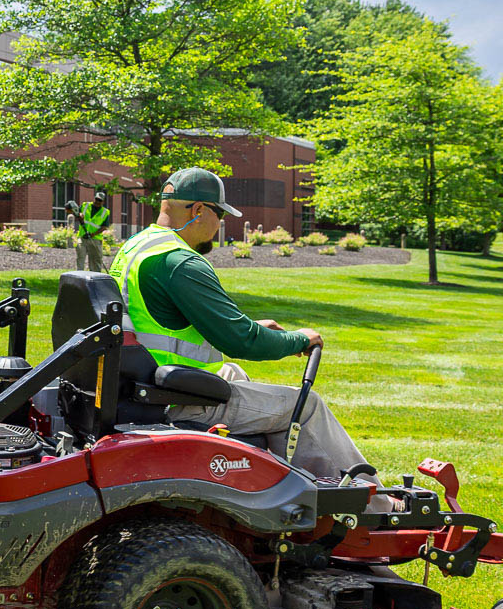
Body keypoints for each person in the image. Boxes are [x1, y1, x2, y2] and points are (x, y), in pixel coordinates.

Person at [109, 167, 364, 482]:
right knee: (306, 405)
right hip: (168, 401)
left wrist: (253, 325)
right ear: (199, 210)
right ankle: (377, 505)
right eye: (219, 214)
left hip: (139, 383)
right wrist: (300, 339)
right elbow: (242, 341)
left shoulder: (138, 246)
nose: (220, 225)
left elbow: (163, 319)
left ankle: (278, 484)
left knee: (232, 374)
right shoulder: (180, 262)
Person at [73, 188, 112, 272]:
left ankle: (95, 278)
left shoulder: (105, 212)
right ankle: (79, 276)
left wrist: (93, 234)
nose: (97, 202)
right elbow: (77, 213)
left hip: (95, 240)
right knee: (80, 258)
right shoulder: (85, 205)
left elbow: (104, 226)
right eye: (96, 199)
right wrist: (79, 215)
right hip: (82, 237)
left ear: (103, 202)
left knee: (95, 260)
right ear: (94, 198)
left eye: (100, 200)